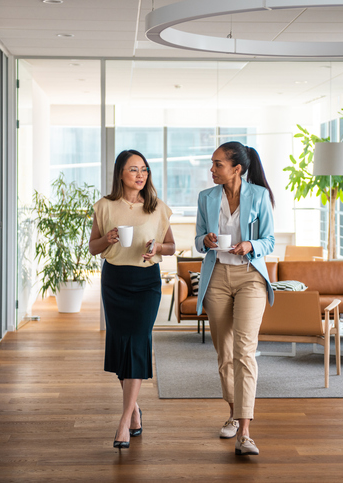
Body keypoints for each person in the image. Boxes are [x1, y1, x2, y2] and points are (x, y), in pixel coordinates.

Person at [89, 149, 175, 450]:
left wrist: (157, 249)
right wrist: (108, 239)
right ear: (120, 174)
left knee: (138, 342)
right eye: (133, 169)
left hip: (146, 283)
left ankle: (124, 420)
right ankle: (135, 409)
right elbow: (93, 248)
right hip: (114, 281)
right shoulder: (104, 206)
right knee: (121, 343)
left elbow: (172, 246)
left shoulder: (157, 208)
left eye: (144, 170)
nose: (141, 175)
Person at [194, 141, 275, 456]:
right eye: (212, 164)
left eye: (217, 164)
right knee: (224, 353)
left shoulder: (259, 196)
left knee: (245, 351)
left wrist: (250, 245)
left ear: (236, 168)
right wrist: (207, 239)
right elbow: (200, 241)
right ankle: (232, 411)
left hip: (250, 277)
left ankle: (245, 431)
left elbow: (269, 240)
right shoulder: (207, 197)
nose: (211, 170)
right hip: (216, 279)